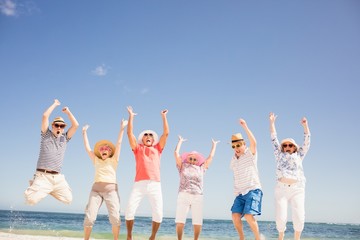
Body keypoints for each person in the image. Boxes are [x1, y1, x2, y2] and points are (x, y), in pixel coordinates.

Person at [124, 106, 169, 240]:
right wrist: (131, 116)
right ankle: (129, 236)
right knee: (129, 212)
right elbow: (129, 133)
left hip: (155, 184)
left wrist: (164, 117)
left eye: (150, 135)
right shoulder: (137, 149)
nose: (148, 136)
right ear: (142, 139)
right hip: (139, 184)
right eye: (145, 135)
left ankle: (152, 237)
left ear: (153, 139)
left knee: (158, 214)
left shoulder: (158, 148)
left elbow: (166, 134)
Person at [24, 99, 79, 205]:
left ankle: (47, 189)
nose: (59, 127)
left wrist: (68, 112)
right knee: (30, 200)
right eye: (57, 125)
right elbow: (45, 116)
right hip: (43, 175)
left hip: (57, 178)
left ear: (63, 128)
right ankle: (38, 186)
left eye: (62, 126)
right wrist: (55, 104)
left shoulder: (64, 138)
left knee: (68, 199)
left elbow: (76, 125)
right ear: (52, 125)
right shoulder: (46, 134)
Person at [82, 117, 128, 240]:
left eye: (106, 149)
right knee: (90, 217)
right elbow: (87, 148)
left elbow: (118, 143)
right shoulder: (96, 159)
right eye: (101, 149)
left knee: (115, 218)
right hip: (95, 190)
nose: (104, 150)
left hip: (111, 191)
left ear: (110, 152)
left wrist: (122, 128)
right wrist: (84, 132)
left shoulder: (114, 160)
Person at [269, 112, 311, 240]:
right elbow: (273, 138)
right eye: (285, 145)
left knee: (299, 217)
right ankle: (280, 237)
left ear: (294, 148)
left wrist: (305, 125)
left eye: (290, 145)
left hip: (297, 189)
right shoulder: (279, 154)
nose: (287, 147)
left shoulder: (299, 155)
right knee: (280, 218)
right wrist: (272, 123)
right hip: (281, 189)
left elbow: (307, 141)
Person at [174, 135, 219, 240]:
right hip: (183, 194)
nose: (192, 160)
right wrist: (180, 141)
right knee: (180, 221)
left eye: (195, 159)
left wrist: (214, 146)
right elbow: (176, 154)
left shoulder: (201, 168)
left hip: (198, 196)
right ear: (187, 159)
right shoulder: (182, 166)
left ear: (197, 161)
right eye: (190, 158)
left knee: (197, 222)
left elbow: (210, 158)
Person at [230, 118, 263, 240]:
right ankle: (241, 238)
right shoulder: (233, 160)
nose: (236, 148)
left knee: (249, 216)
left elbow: (254, 143)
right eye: (234, 146)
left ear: (244, 145)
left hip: (253, 189)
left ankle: (257, 238)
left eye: (239, 145)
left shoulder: (250, 154)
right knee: (235, 215)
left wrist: (245, 126)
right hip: (240, 193)